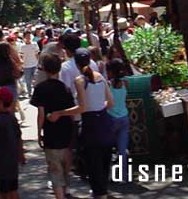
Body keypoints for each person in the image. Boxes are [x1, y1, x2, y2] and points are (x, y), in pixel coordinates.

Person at [48, 48, 114, 199]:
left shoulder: (80, 81)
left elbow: (82, 107)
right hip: (104, 121)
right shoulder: (100, 77)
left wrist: (60, 113)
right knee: (104, 161)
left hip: (90, 124)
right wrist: (98, 105)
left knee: (93, 163)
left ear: (76, 64)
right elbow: (110, 103)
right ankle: (102, 192)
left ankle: (100, 193)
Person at [30, 54, 74, 199]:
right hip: (66, 131)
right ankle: (66, 188)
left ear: (44, 69)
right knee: (66, 164)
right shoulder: (65, 88)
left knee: (54, 168)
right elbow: (71, 112)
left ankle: (59, 194)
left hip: (50, 132)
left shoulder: (40, 89)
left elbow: (41, 114)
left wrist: (38, 133)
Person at [106, 58, 129, 168]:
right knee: (122, 149)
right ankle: (123, 175)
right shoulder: (125, 82)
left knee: (108, 147)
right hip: (124, 117)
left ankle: (110, 173)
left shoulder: (108, 84)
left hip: (111, 118)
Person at [19, 30, 39, 98]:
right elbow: (21, 56)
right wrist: (21, 65)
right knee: (28, 81)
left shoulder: (35, 44)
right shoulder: (22, 46)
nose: (28, 37)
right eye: (27, 36)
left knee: (35, 79)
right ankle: (29, 93)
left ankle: (36, 92)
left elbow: (37, 54)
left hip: (34, 64)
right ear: (24, 37)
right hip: (26, 66)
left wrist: (38, 62)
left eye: (29, 36)